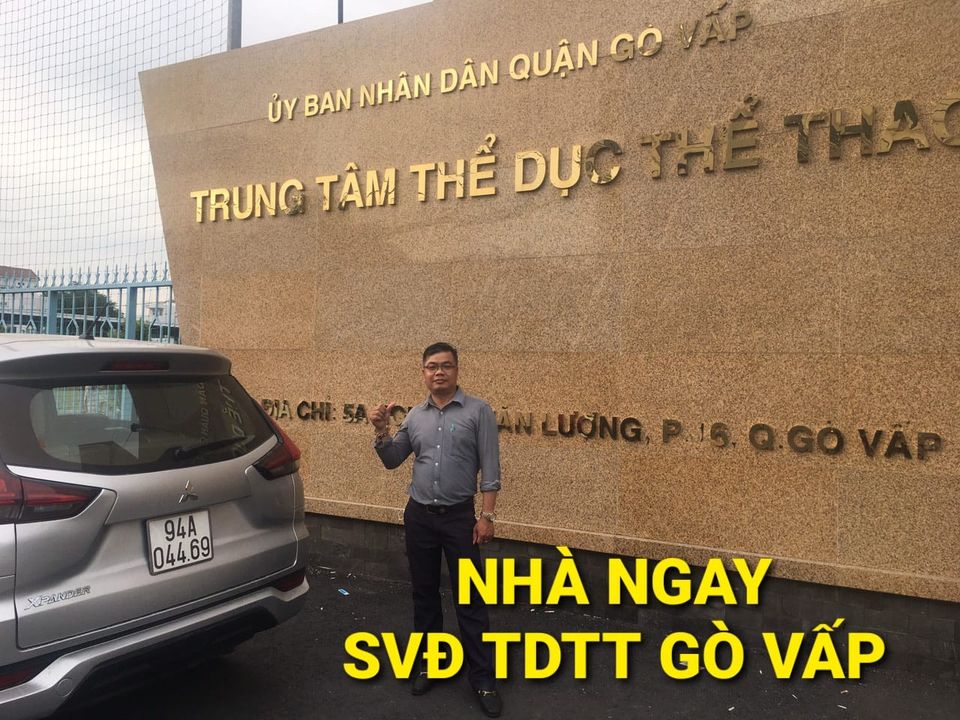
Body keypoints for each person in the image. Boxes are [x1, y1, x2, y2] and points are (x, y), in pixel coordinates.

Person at [370, 342, 502, 718]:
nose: (439, 372)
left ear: (457, 370)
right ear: (424, 373)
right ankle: (431, 665)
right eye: (432, 366)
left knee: (470, 599)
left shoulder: (478, 411)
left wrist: (486, 516)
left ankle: (482, 679)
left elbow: (490, 468)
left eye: (446, 365)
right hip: (420, 518)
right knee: (424, 595)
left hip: (461, 519)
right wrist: (381, 432)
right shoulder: (415, 416)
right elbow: (393, 459)